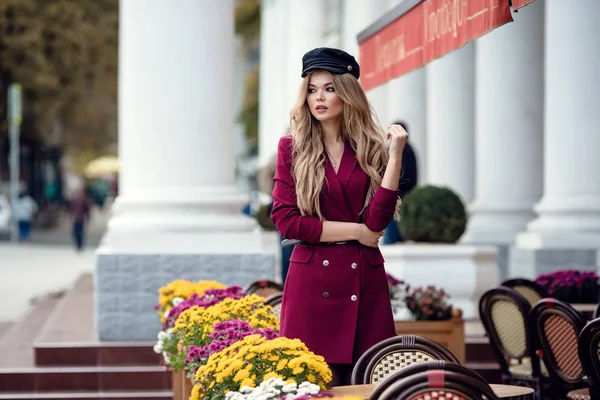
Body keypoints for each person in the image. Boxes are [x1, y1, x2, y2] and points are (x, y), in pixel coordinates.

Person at [270, 47, 409, 386]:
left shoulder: (371, 146)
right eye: (313, 89)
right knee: (312, 386)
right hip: (312, 283)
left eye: (329, 88)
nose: (319, 98)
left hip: (364, 281)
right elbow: (287, 221)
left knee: (368, 384)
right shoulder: (292, 148)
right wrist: (357, 233)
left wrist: (394, 158)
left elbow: (377, 222)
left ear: (347, 94)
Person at [382, 120, 418, 244]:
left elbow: (401, 177)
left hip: (397, 199)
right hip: (399, 198)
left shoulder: (403, 151)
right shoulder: (408, 150)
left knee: (392, 238)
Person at [65, 188, 91, 252]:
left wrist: (87, 218)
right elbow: (69, 208)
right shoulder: (73, 200)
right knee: (75, 232)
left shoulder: (84, 200)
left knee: (80, 233)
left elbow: (87, 210)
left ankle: (80, 245)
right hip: (75, 218)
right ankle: (77, 245)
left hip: (81, 219)